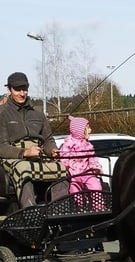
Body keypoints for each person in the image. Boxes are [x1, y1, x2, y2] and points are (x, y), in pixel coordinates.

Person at [0, 72, 67, 208]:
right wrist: (25, 152)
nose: (22, 93)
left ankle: (60, 210)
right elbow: (2, 147)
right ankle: (30, 211)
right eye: (17, 89)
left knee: (61, 168)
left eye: (25, 89)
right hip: (13, 157)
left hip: (38, 155)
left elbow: (48, 140)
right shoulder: (2, 113)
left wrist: (52, 151)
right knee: (24, 169)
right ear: (9, 90)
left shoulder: (38, 114)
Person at [59, 116, 103, 197]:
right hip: (74, 176)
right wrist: (68, 168)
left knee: (96, 187)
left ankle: (97, 204)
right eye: (88, 128)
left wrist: (96, 168)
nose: (90, 130)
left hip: (88, 173)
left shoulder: (88, 145)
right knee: (74, 191)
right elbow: (64, 159)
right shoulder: (68, 144)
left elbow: (93, 159)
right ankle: (80, 205)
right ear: (79, 131)